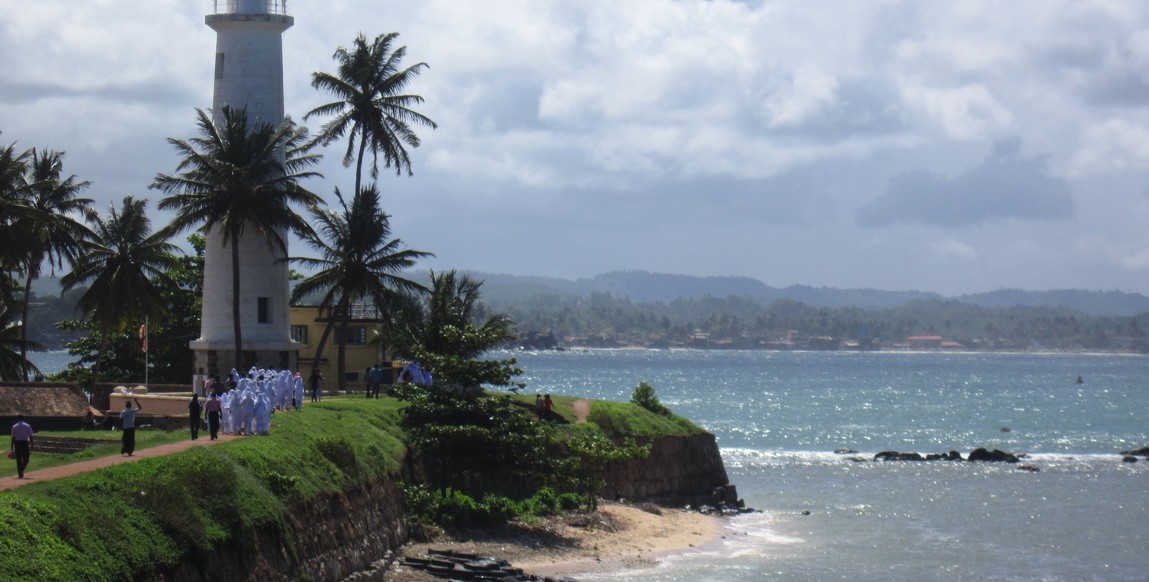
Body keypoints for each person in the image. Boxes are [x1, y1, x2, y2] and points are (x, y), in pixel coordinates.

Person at [10, 414, 33, 479]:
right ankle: (21, 471)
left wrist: (12, 447)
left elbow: (13, 438)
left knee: (18, 459)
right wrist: (32, 445)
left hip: (17, 443)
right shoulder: (27, 426)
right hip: (25, 443)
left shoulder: (14, 426)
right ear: (23, 418)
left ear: (17, 419)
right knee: (26, 458)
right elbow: (31, 436)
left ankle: (20, 471)